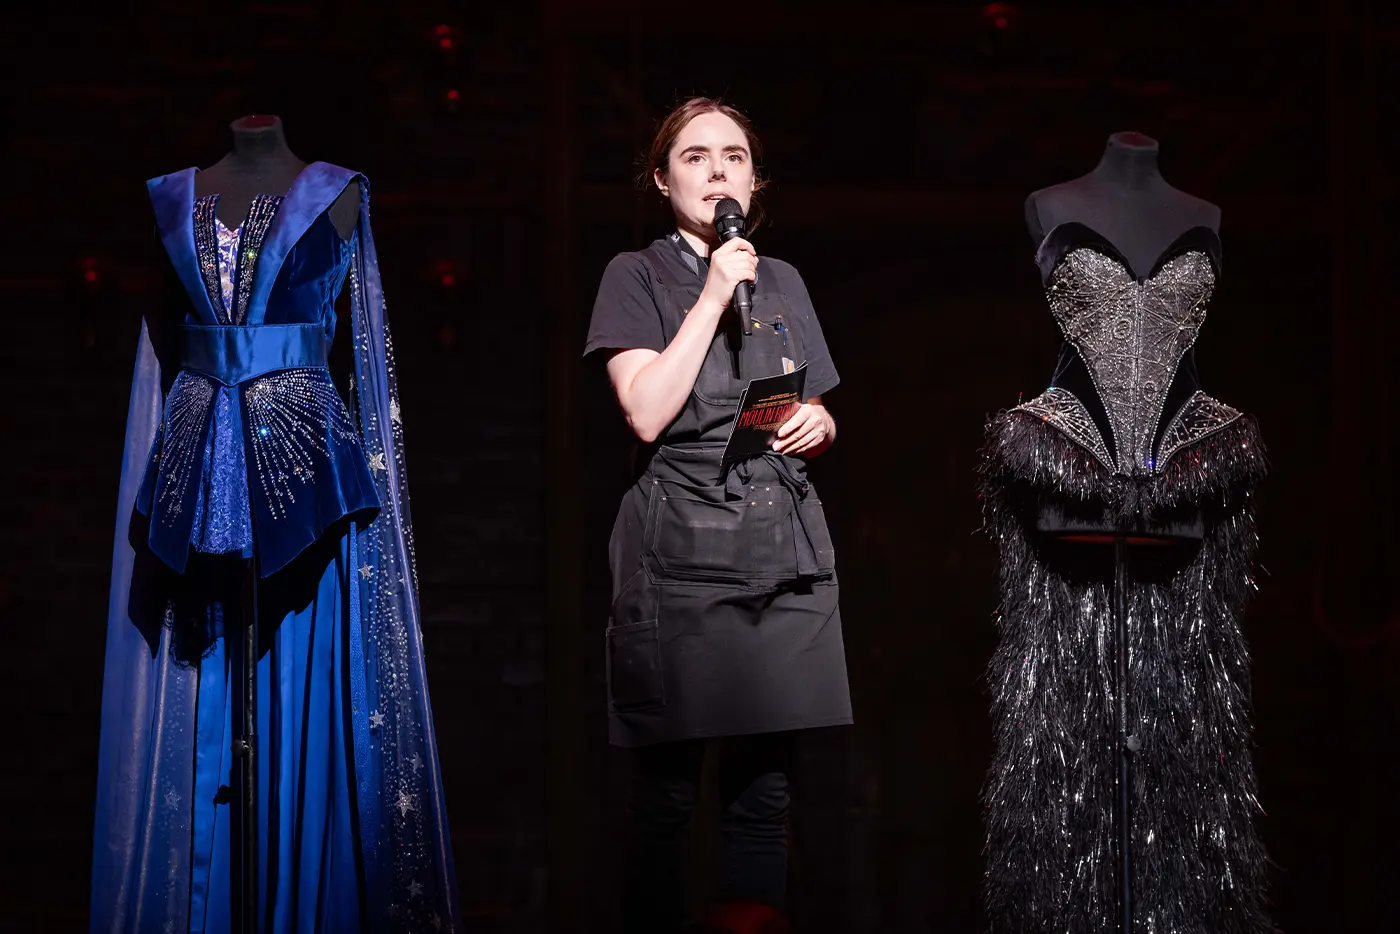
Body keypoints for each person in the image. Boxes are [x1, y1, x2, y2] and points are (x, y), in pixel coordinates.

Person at [90, 116, 459, 933]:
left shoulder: (340, 193)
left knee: (300, 680)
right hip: (195, 455)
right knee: (200, 685)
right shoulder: (170, 199)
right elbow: (162, 346)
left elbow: (361, 351)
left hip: (305, 473)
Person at [583, 97, 853, 934]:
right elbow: (646, 414)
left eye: (733, 157)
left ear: (754, 180)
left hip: (780, 542)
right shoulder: (635, 275)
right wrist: (710, 295)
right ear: (662, 180)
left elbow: (808, 399)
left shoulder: (785, 280)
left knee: (764, 790)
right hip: (681, 549)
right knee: (668, 793)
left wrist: (820, 423)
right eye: (695, 157)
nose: (716, 171)